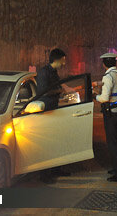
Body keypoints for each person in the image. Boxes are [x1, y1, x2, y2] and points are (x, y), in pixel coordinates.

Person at [35, 48, 70, 183]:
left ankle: (56, 169)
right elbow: (43, 92)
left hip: (54, 110)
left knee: (56, 141)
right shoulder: (44, 73)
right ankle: (44, 175)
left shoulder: (54, 72)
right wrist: (60, 91)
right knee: (47, 144)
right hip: (46, 111)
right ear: (57, 59)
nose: (64, 64)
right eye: (63, 61)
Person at [93, 52, 117, 182]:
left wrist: (94, 96)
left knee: (113, 144)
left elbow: (104, 98)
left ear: (104, 64)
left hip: (112, 114)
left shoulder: (108, 77)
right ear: (115, 62)